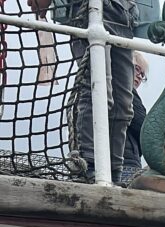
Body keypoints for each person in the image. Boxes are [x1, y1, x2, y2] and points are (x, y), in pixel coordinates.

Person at [27, 0, 138, 183]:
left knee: (124, 106)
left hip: (124, 17)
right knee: (98, 91)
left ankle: (114, 171)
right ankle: (91, 165)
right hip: (91, 12)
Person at [120, 49, 147, 184]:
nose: (139, 76)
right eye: (137, 69)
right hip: (125, 162)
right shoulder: (126, 90)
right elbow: (143, 127)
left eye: (142, 74)